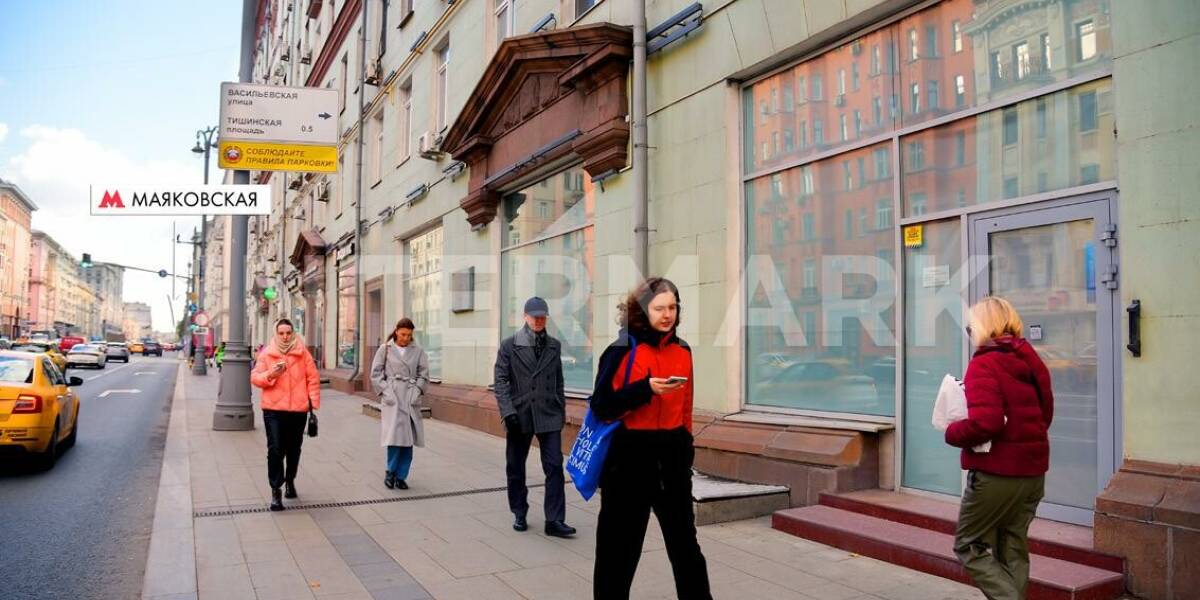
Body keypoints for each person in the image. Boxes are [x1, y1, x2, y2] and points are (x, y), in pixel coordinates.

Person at [589, 277, 711, 600]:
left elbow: (686, 408)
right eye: (659, 308)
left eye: (672, 307)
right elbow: (601, 407)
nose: (667, 314)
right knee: (618, 556)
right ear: (643, 309)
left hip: (671, 463)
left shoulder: (683, 350)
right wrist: (646, 389)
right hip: (628, 464)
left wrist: (685, 451)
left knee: (687, 551)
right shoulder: (620, 350)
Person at [946, 296, 1054, 600]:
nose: (969, 331)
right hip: (1033, 472)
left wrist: (952, 432)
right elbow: (1045, 413)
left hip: (996, 474)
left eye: (971, 325)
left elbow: (987, 423)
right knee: (1013, 546)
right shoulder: (1029, 359)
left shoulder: (984, 363)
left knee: (968, 545)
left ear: (984, 325)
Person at [493, 296, 576, 538]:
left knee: (554, 467)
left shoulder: (554, 345)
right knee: (516, 466)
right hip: (519, 414)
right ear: (525, 317)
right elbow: (500, 381)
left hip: (548, 414)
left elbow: (559, 380)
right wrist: (507, 412)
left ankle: (554, 520)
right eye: (534, 316)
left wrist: (561, 409)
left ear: (546, 318)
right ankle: (519, 511)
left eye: (542, 316)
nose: (538, 320)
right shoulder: (509, 345)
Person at [250, 318, 321, 511]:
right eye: (281, 333)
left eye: (288, 332)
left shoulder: (302, 353)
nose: (285, 336)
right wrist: (271, 375)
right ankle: (276, 490)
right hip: (273, 411)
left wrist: (312, 404)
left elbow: (312, 379)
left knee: (293, 449)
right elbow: (255, 377)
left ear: (293, 333)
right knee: (275, 449)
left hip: (298, 410)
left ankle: (290, 480)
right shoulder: (267, 354)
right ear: (276, 333)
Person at [369, 318, 429, 490]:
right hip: (393, 398)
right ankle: (390, 472)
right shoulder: (385, 349)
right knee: (394, 439)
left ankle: (402, 476)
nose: (405, 338)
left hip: (410, 397)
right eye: (403, 334)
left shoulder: (417, 351)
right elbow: (376, 374)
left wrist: (417, 391)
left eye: (409, 335)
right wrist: (387, 392)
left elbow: (424, 374)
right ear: (396, 331)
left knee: (408, 440)